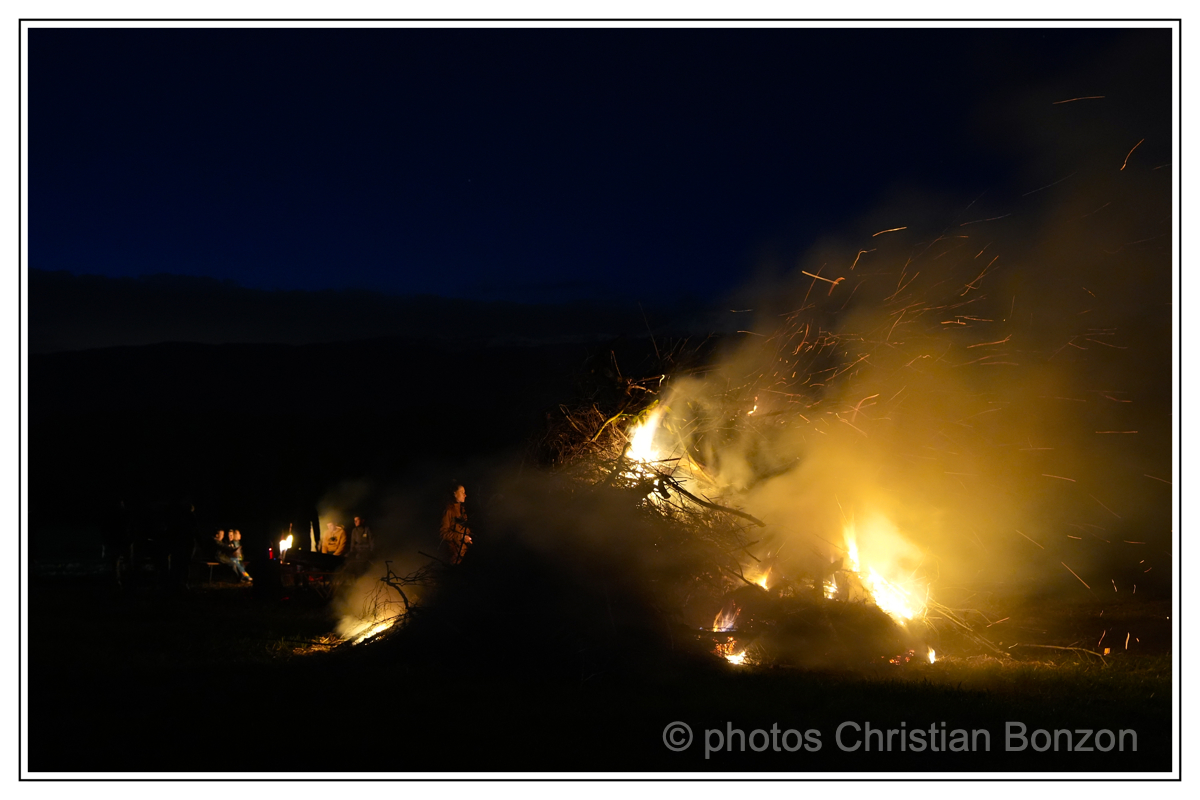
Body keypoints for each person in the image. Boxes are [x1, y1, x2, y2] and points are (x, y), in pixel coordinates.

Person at [440, 484, 472, 565]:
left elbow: (464, 529)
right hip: (454, 558)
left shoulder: (463, 510)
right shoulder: (448, 511)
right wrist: (461, 537)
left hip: (463, 555)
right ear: (454, 493)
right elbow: (443, 534)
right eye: (462, 492)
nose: (465, 495)